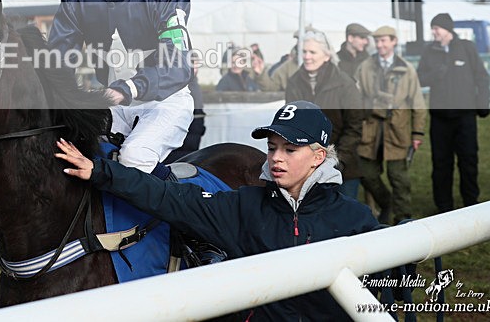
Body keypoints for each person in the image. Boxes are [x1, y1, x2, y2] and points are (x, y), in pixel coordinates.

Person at [56, 100, 379, 321]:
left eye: (290, 150)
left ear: (318, 156)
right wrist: (99, 171)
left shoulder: (355, 220)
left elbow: (381, 297)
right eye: (272, 148)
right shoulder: (243, 206)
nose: (276, 158)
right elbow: (169, 197)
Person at [48, 0, 193, 178]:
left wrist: (127, 89)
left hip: (164, 101)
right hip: (109, 102)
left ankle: (177, 214)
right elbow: (57, 60)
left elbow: (176, 64)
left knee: (133, 157)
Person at [417, 13, 490, 212]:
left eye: (437, 28)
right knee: (441, 164)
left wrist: (482, 106)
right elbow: (420, 78)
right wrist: (435, 74)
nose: (434, 32)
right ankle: (444, 207)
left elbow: (482, 78)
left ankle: (471, 203)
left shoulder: (466, 48)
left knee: (468, 160)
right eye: (433, 28)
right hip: (440, 119)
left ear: (447, 30)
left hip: (465, 117)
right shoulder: (429, 51)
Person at [355, 26, 426, 224]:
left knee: (399, 179)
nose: (380, 45)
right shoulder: (365, 67)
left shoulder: (407, 69)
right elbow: (357, 97)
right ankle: (385, 203)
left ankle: (403, 218)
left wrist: (417, 134)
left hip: (397, 131)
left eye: (384, 40)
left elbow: (418, 103)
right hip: (371, 130)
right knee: (367, 174)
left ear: (394, 41)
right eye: (377, 41)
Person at [286, 29, 364, 199]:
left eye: (312, 52)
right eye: (304, 51)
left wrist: (336, 161)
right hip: (305, 167)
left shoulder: (345, 84)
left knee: (344, 218)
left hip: (343, 166)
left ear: (326, 56)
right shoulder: (294, 82)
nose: (307, 56)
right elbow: (291, 124)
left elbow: (354, 127)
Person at [164, 53, 206, 164]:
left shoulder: (193, 83)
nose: (195, 68)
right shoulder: (181, 82)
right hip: (185, 126)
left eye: (197, 65)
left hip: (193, 127)